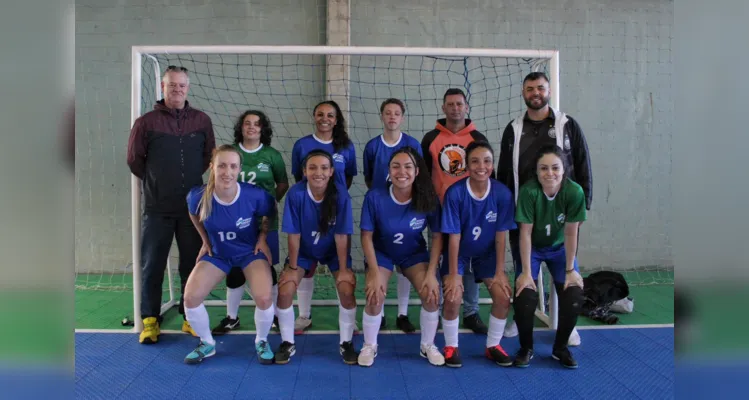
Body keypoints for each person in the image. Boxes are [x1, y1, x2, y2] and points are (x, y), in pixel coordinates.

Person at [497, 71, 592, 346]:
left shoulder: (567, 125)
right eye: (530, 89)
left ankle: (564, 322)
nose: (535, 93)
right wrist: (505, 211)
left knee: (565, 273)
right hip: (524, 213)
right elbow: (504, 171)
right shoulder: (514, 128)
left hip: (561, 212)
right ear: (523, 93)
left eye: (540, 88)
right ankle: (521, 316)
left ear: (548, 91)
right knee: (523, 270)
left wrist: (584, 206)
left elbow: (584, 164)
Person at [126, 65, 216, 344]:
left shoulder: (201, 120)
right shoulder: (146, 122)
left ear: (188, 88)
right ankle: (150, 320)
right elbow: (134, 160)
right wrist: (158, 182)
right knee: (151, 264)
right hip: (157, 208)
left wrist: (187, 184)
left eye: (182, 85)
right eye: (172, 85)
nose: (177, 89)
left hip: (191, 209)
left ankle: (189, 317)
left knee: (191, 264)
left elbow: (207, 158)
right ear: (162, 88)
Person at [182, 145, 277, 365]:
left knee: (264, 297)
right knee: (191, 297)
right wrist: (205, 240)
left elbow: (269, 212)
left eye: (233, 166)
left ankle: (261, 340)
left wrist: (262, 237)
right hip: (218, 254)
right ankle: (207, 343)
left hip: (248, 253)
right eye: (222, 165)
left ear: (239, 169)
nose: (227, 171)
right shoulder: (197, 196)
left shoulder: (254, 195)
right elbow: (193, 213)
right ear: (212, 167)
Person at [358, 147, 445, 367]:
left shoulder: (427, 197)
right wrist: (375, 272)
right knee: (374, 294)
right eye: (396, 166)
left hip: (413, 254)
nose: (401, 171)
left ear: (416, 172)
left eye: (407, 166)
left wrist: (433, 272)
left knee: (432, 294)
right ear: (389, 171)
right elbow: (366, 237)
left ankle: (428, 345)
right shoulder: (375, 197)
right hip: (382, 253)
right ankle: (369, 345)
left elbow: (437, 236)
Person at [274, 150, 359, 365]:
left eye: (323, 168)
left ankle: (346, 343)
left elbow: (342, 235)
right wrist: (293, 267)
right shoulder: (296, 194)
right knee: (284, 290)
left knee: (347, 289)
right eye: (312, 167)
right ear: (304, 171)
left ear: (331, 171)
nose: (318, 172)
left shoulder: (340, 195)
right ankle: (287, 342)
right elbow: (293, 234)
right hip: (303, 250)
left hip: (332, 251)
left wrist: (343, 270)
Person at [210, 110, 289, 336]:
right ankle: (232, 317)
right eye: (247, 123)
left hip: (264, 223)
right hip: (234, 224)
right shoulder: (231, 153)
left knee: (267, 267)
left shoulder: (272, 155)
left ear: (263, 128)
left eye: (257, 124)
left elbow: (282, 184)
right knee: (235, 268)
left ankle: (273, 314)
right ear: (241, 127)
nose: (252, 127)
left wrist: (267, 205)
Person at [440, 141, 516, 368]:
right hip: (460, 253)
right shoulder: (455, 193)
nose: (481, 166)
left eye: (486, 161)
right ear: (466, 165)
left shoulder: (502, 193)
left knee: (503, 296)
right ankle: (451, 346)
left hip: (486, 254)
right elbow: (453, 237)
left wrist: (500, 272)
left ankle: (493, 346)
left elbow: (502, 235)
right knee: (453, 297)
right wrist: (454, 274)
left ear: (492, 165)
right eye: (475, 161)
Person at [421, 88, 490, 334]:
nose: (455, 108)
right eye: (450, 104)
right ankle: (438, 309)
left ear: (467, 107)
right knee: (438, 259)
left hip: (470, 212)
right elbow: (424, 177)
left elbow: (486, 174)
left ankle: (470, 312)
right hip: (439, 210)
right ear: (443, 108)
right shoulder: (430, 139)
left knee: (468, 261)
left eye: (460, 104)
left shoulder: (477, 138)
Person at [512, 145, 586, 369]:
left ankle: (560, 348)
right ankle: (526, 348)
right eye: (543, 168)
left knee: (574, 294)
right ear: (536, 171)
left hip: (559, 248)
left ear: (564, 170)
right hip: (532, 248)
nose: (549, 173)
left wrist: (571, 269)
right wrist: (526, 273)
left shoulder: (574, 192)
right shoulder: (529, 191)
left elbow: (572, 231)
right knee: (525, 297)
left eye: (555, 168)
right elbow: (524, 233)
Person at [290, 100, 357, 334]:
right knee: (306, 267)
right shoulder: (302, 145)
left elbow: (348, 178)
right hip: (309, 212)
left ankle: (348, 321)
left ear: (336, 119)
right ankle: (304, 316)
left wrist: (334, 197)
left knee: (342, 270)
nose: (325, 118)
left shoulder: (346, 146)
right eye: (320, 114)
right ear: (314, 116)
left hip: (336, 213)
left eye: (330, 114)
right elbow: (298, 178)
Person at [362, 98, 422, 333]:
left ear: (402, 117)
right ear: (382, 116)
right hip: (381, 210)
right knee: (381, 260)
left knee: (404, 262)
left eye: (397, 113)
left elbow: (418, 175)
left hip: (407, 209)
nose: (392, 117)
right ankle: (381, 312)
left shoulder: (413, 144)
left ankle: (403, 313)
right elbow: (369, 178)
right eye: (388, 113)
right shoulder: (372, 146)